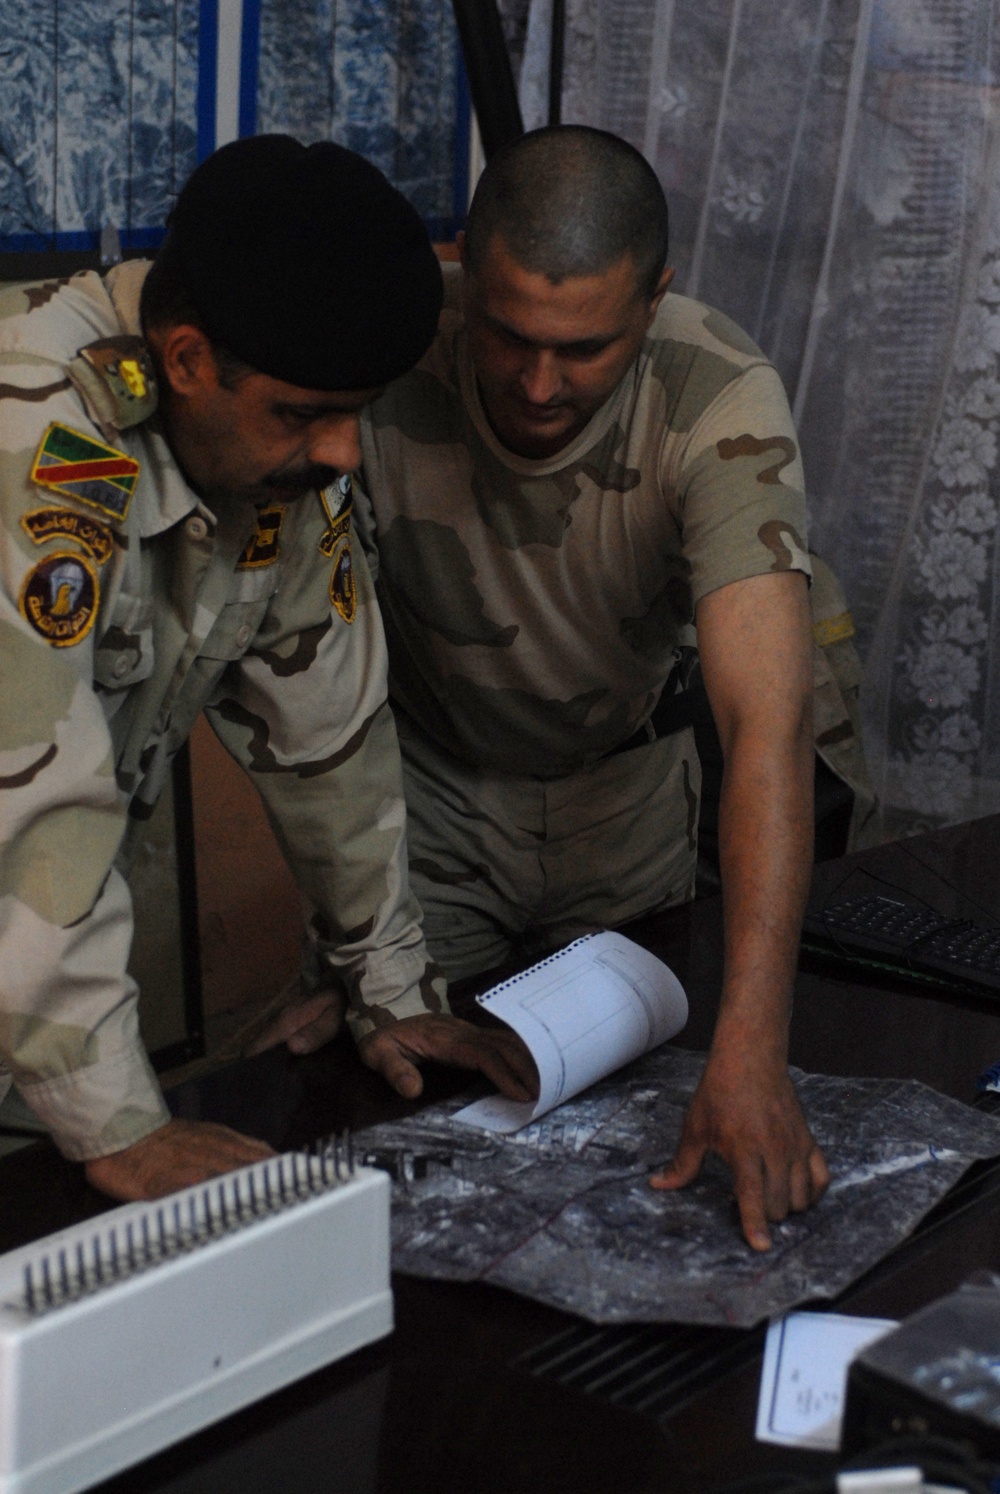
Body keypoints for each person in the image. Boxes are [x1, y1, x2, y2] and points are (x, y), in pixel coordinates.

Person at [0, 135, 535, 1204]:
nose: (342, 453)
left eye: (358, 412)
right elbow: (26, 807)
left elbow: (330, 736)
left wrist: (392, 990)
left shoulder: (278, 460)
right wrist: (122, 1128)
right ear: (188, 358)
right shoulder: (38, 451)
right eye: (304, 415)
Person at [355, 125, 858, 1252]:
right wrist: (345, 944)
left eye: (582, 349)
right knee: (396, 1107)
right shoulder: (388, 348)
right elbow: (296, 659)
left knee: (628, 1145)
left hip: (621, 801)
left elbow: (764, 723)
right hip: (427, 796)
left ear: (655, 300)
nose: (538, 384)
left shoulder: (715, 393)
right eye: (506, 334)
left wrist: (752, 1050)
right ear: (464, 273)